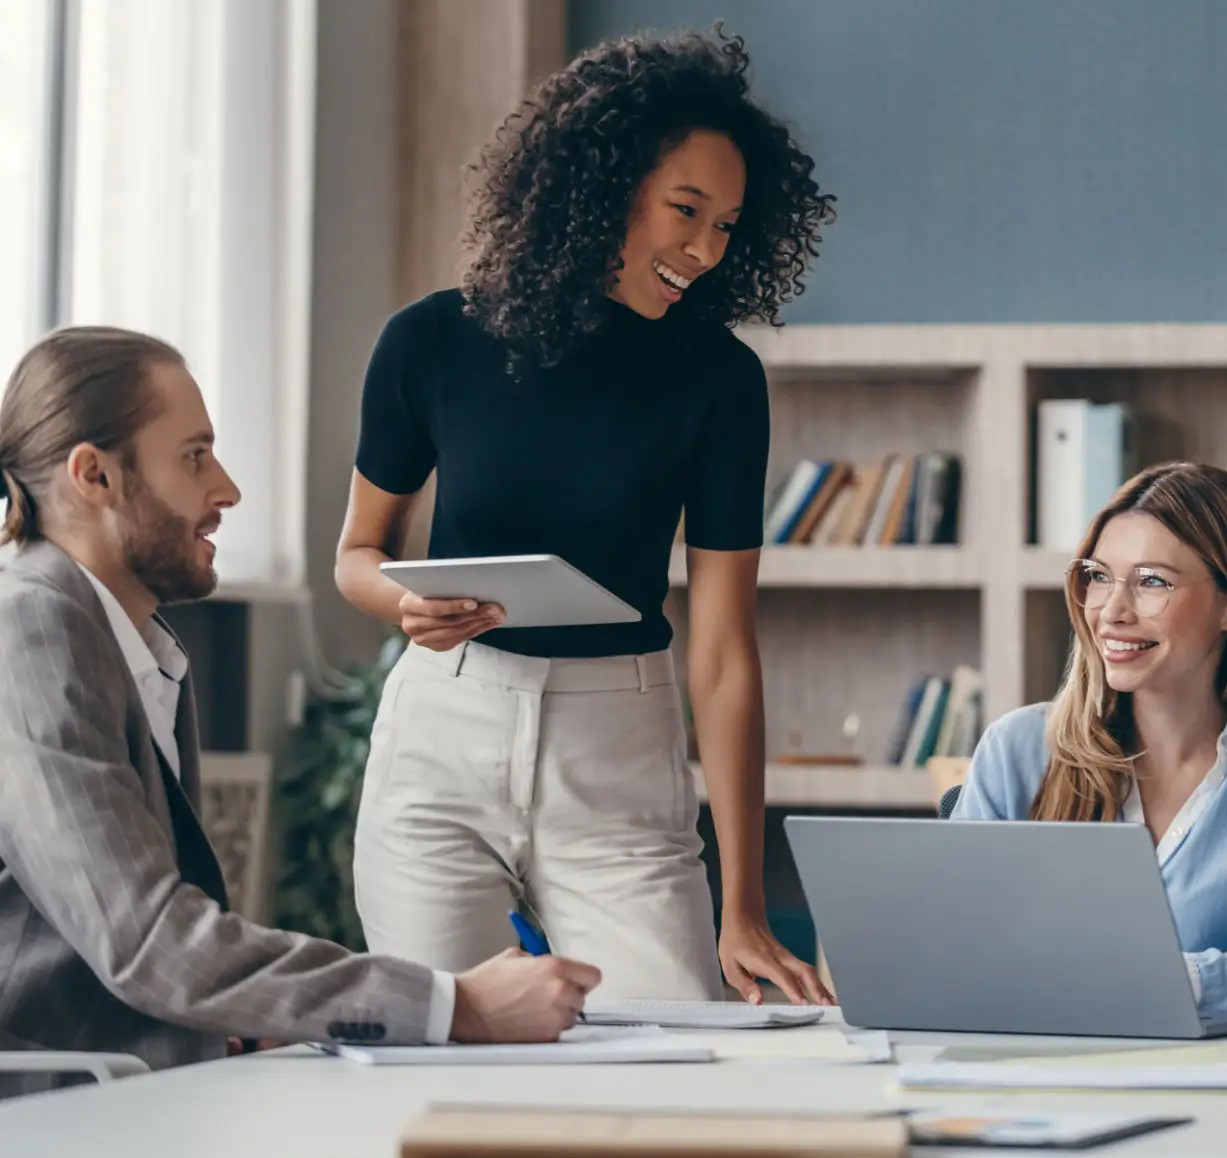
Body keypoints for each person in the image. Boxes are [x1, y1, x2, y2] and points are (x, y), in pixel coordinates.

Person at [335, 27, 836, 1004]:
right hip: (442, 734)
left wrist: (744, 906)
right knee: (445, 1051)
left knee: (673, 1045)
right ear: (599, 185)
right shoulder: (431, 341)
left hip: (620, 751)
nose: (704, 250)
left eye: (728, 226)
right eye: (686, 210)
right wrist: (399, 607)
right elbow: (359, 554)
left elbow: (726, 651)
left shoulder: (719, 380)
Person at [0, 327, 600, 1099]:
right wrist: (458, 1005)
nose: (227, 489)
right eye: (194, 456)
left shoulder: (128, 640)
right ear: (96, 476)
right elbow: (147, 941)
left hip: (134, 1080)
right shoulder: (32, 631)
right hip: (53, 1103)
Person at [955, 462, 1227, 1025]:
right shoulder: (1019, 750)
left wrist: (1147, 981)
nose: (1110, 611)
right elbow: (952, 947)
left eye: (1153, 581)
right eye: (1098, 575)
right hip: (1033, 1079)